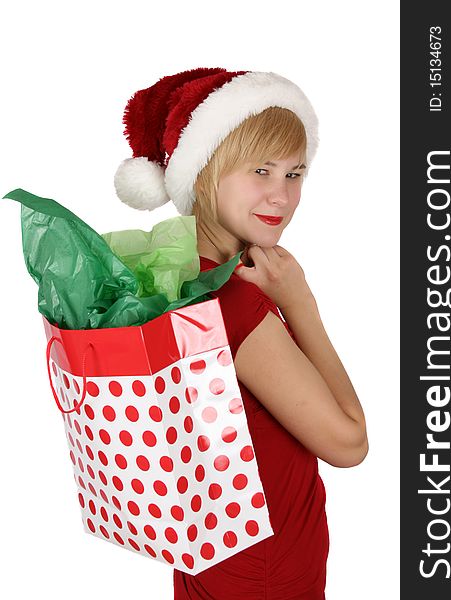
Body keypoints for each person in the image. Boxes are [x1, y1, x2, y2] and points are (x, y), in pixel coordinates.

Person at [114, 67, 369, 600]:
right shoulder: (229, 301)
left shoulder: (179, 278)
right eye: (261, 170)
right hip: (267, 571)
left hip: (213, 560)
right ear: (203, 170)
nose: (282, 196)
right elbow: (348, 444)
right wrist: (301, 305)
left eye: (295, 174)